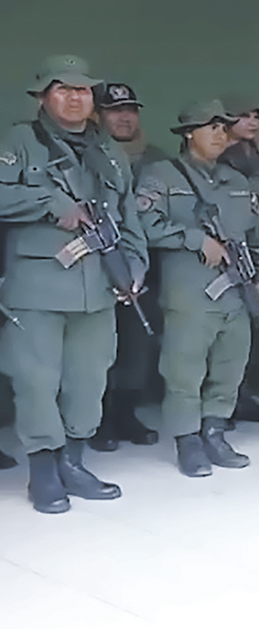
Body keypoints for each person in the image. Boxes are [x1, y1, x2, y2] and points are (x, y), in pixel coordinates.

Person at [0, 55, 149, 513]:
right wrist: (48, 201)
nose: (74, 98)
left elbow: (127, 216)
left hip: (98, 286)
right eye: (63, 89)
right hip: (39, 287)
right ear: (43, 96)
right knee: (37, 381)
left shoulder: (108, 150)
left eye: (83, 91)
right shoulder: (21, 140)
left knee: (88, 380)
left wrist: (136, 265)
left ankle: (74, 463)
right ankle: (43, 473)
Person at [135, 100, 259, 478]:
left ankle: (215, 431)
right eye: (209, 126)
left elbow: (255, 237)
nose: (219, 133)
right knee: (184, 370)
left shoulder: (236, 181)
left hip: (237, 293)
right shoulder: (161, 175)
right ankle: (188, 441)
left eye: (223, 127)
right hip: (190, 295)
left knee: (230, 366)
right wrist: (195, 239)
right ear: (187, 134)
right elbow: (143, 223)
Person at [91, 81, 166, 452]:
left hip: (144, 265)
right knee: (97, 347)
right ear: (96, 115)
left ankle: (125, 413)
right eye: (114, 110)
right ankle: (98, 419)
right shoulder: (86, 155)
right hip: (95, 265)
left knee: (137, 345)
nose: (124, 116)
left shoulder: (155, 158)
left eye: (130, 110)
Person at [217, 93, 259, 425]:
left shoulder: (257, 155)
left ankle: (242, 396)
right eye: (244, 116)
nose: (253, 122)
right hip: (227, 248)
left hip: (258, 244)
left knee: (254, 324)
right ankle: (224, 403)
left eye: (257, 116)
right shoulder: (222, 158)